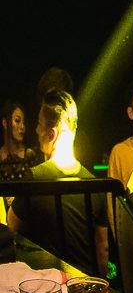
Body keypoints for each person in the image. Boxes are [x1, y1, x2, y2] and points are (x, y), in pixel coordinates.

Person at [9, 91, 110, 276]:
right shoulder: (94, 184)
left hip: (47, 285)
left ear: (52, 134)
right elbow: (102, 251)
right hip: (84, 285)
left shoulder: (34, 179)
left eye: (39, 124)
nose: (36, 130)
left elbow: (11, 229)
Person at [0, 97, 39, 181]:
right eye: (17, 121)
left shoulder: (29, 155)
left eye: (23, 123)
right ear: (5, 123)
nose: (22, 127)